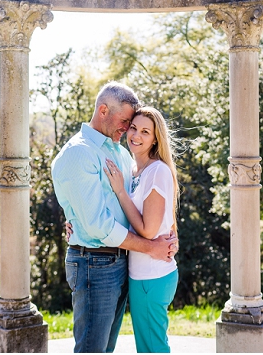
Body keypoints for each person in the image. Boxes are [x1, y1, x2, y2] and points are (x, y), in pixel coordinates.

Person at [52, 82, 177, 353]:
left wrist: (169, 235)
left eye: (135, 125)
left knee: (105, 349)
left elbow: (147, 203)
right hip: (94, 264)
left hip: (121, 261)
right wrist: (151, 247)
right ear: (103, 110)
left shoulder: (120, 153)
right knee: (93, 349)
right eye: (126, 122)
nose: (128, 129)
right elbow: (97, 225)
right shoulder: (78, 153)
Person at [105, 106, 180, 352]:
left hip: (152, 276)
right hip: (142, 274)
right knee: (148, 346)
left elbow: (148, 231)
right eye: (134, 128)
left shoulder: (157, 170)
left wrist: (120, 192)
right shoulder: (133, 169)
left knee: (152, 348)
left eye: (145, 131)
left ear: (155, 138)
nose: (136, 135)